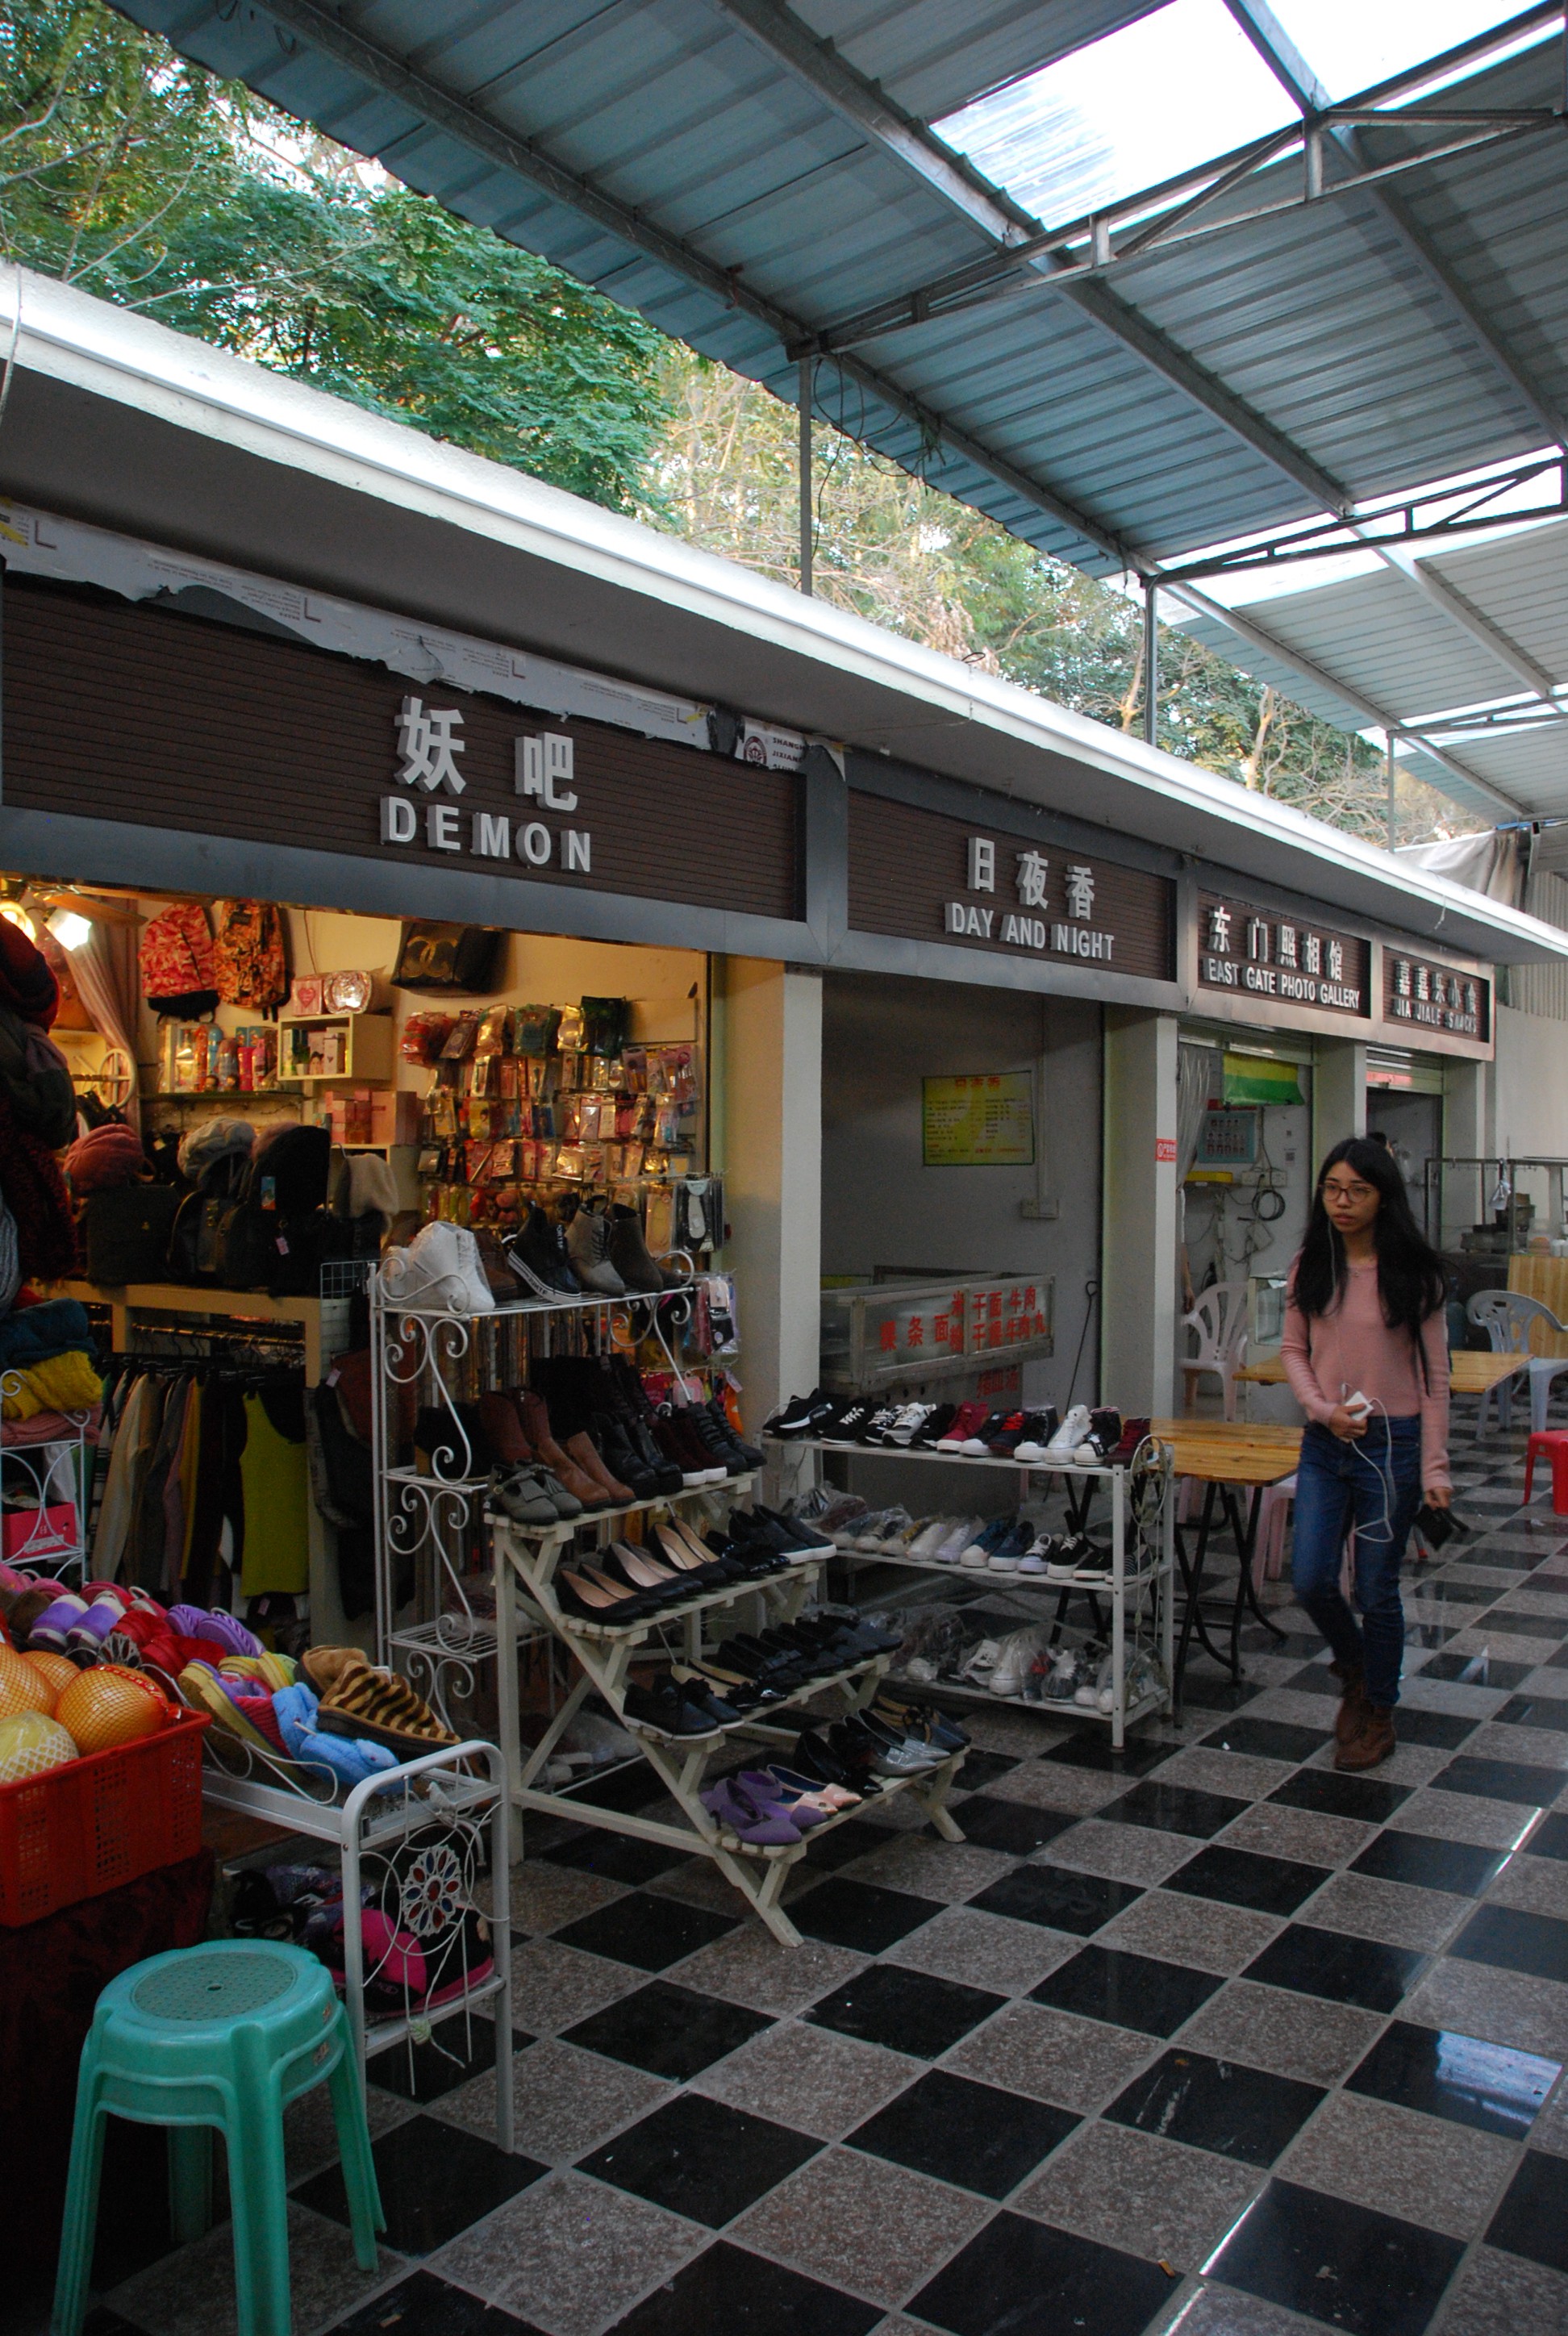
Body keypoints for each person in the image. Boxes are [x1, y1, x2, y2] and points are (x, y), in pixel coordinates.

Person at [1281, 1137, 1450, 1770]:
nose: (1342, 1202)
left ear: (1384, 1198)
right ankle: (1356, 1665)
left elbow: (1435, 1377)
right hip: (1327, 1443)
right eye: (1332, 1189)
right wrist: (1323, 1410)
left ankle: (1378, 1708)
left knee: (1377, 1589)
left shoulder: (1416, 1275)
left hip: (1394, 1447)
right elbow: (1294, 1351)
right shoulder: (1311, 1265)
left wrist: (1435, 1467)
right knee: (1311, 1579)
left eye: (1357, 1190)